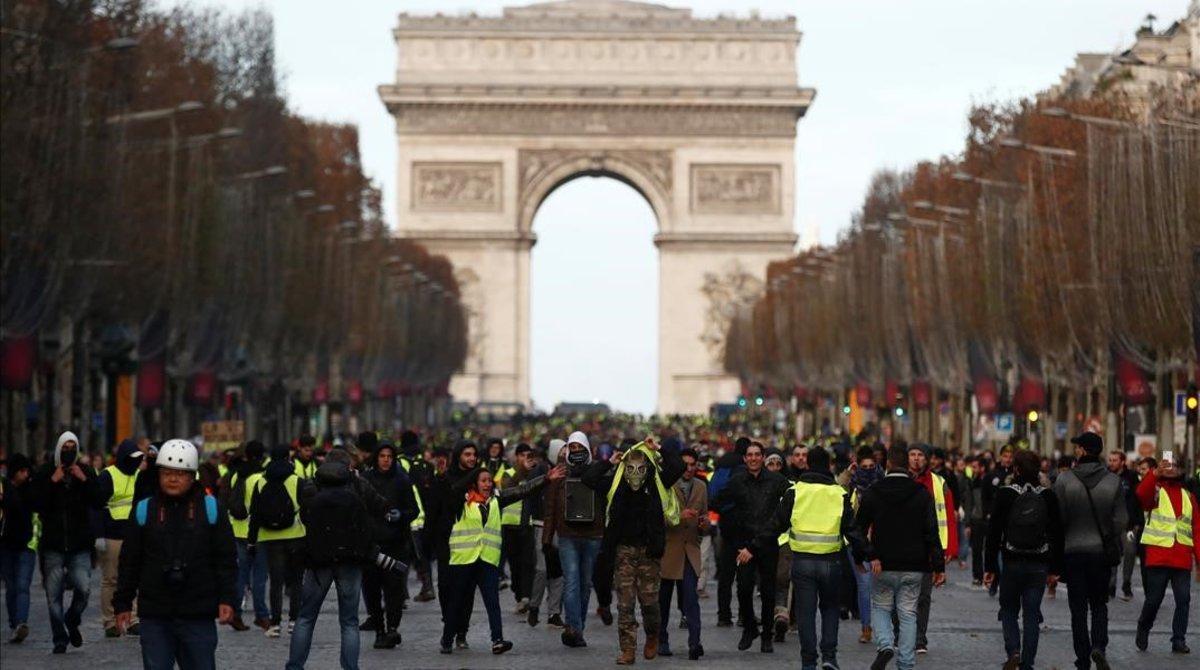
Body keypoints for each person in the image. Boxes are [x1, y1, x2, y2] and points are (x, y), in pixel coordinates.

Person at [113, 439, 237, 670]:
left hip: (198, 613)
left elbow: (225, 558)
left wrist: (227, 599)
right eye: (167, 473)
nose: (172, 479)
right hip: (155, 613)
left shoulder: (211, 509)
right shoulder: (144, 510)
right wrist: (122, 604)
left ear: (192, 477)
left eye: (180, 474)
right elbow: (130, 561)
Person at [285, 452, 406, 670]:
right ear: (346, 467)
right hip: (351, 560)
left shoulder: (311, 487)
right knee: (349, 622)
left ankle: (294, 666)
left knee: (305, 618)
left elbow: (305, 517)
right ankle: (350, 667)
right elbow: (381, 507)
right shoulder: (357, 485)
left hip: (318, 560)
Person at [753, 444, 866, 670]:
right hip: (831, 561)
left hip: (802, 562)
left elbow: (775, 525)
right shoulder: (838, 493)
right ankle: (829, 656)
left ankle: (808, 661)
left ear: (808, 464)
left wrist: (754, 547)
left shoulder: (795, 491)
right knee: (830, 610)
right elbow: (852, 530)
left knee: (805, 613)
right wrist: (863, 556)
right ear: (829, 465)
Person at [440, 462, 563, 654]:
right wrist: (442, 474)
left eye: (490, 481)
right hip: (463, 560)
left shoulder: (497, 500)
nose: (488, 484)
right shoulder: (461, 501)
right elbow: (449, 489)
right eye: (483, 481)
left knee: (492, 602)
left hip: (487, 560)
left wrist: (546, 479)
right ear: (474, 483)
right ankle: (447, 639)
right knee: (457, 602)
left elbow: (522, 491)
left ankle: (497, 640)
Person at [583, 438, 684, 665]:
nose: (635, 472)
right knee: (625, 604)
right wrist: (609, 461)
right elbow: (588, 479)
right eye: (630, 467)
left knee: (649, 603)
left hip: (650, 550)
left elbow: (679, 466)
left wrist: (659, 448)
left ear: (647, 467)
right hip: (623, 551)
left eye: (640, 467)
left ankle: (652, 634)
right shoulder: (616, 483)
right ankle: (627, 649)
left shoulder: (657, 482)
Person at [854, 443, 944, 670]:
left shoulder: (874, 492)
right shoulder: (922, 494)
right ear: (907, 465)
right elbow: (931, 531)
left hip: (881, 564)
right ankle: (906, 662)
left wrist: (863, 556)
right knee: (908, 614)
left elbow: (859, 529)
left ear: (888, 464)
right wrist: (938, 565)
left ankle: (885, 645)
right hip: (915, 565)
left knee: (882, 608)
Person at [984, 449, 1064, 670]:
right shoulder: (1047, 496)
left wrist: (989, 566)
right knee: (1032, 614)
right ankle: (1028, 662)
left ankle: (1014, 651)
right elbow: (1057, 533)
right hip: (1039, 562)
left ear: (1015, 468)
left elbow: (993, 533)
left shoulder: (1005, 493)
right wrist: (1055, 568)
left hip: (1011, 560)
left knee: (1008, 609)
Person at [1053, 432, 1126, 670]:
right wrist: (1107, 535)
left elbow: (1057, 519)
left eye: (1077, 448)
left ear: (1083, 451)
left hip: (1073, 551)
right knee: (1099, 604)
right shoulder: (1113, 482)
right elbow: (1121, 521)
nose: (1075, 452)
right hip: (1101, 553)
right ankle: (1099, 646)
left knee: (1078, 608)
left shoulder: (1064, 481)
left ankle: (1082, 656)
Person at [714, 440, 790, 653]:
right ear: (745, 458)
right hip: (744, 545)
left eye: (758, 454)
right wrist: (732, 527)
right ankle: (749, 627)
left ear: (763, 457)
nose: (754, 458)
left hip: (767, 544)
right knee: (744, 588)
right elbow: (718, 502)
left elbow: (791, 502)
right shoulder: (737, 481)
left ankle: (767, 634)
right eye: (750, 455)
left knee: (767, 592)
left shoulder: (777, 481)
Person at [32, 431, 97, 654]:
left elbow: (98, 499)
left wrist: (84, 479)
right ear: (59, 449)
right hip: (53, 544)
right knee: (53, 595)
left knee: (84, 588)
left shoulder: (85, 471)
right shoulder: (45, 473)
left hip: (79, 544)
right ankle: (59, 638)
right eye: (65, 447)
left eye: (73, 447)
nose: (68, 451)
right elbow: (36, 503)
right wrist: (53, 481)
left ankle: (72, 618)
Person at [543, 430, 607, 647]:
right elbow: (550, 507)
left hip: (593, 535)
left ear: (587, 449)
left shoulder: (597, 472)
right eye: (573, 448)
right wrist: (546, 539)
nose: (577, 452)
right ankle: (574, 628)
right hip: (567, 535)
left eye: (581, 448)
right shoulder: (559, 473)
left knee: (585, 584)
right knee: (571, 582)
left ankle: (576, 626)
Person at [1134, 455, 1197, 654]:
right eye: (1166, 466)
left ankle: (1178, 639)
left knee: (1183, 600)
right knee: (1153, 600)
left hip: (1182, 558)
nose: (1170, 469)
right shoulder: (1155, 490)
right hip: (1158, 555)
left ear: (1181, 470)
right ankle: (1144, 627)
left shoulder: (1189, 497)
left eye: (1174, 466)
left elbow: (1196, 529)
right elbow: (1141, 494)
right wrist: (1154, 473)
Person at [359, 439, 418, 649]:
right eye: (382, 456)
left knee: (394, 590)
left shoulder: (401, 480)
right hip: (371, 546)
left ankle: (392, 628)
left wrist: (401, 515)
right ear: (376, 458)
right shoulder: (364, 480)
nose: (386, 460)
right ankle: (379, 629)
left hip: (396, 544)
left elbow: (414, 510)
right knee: (372, 589)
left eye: (389, 457)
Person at [247, 444, 307, 638]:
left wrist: (251, 540)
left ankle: (274, 623)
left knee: (276, 582)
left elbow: (255, 513)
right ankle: (294, 620)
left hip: (270, 538)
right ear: (288, 458)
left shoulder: (261, 481)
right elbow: (306, 510)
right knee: (296, 581)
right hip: (296, 535)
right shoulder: (297, 481)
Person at [427, 439, 480, 649]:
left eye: (473, 454)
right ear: (458, 456)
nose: (471, 458)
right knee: (447, 586)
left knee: (467, 588)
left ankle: (461, 631)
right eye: (467, 454)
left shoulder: (480, 480)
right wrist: (429, 539)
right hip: (446, 541)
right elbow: (434, 509)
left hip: (471, 542)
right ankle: (449, 623)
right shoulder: (443, 479)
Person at [92, 438, 148, 636]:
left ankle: (133, 619)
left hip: (135, 534)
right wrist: (98, 535)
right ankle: (110, 622)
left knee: (135, 577)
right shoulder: (108, 476)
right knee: (111, 579)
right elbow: (96, 506)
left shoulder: (140, 476)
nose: (135, 462)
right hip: (113, 534)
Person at [905, 443, 957, 654]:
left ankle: (919, 639)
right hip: (904, 545)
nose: (916, 459)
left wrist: (950, 548)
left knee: (923, 597)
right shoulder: (899, 480)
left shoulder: (939, 482)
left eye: (920, 455)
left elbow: (949, 517)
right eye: (912, 455)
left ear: (927, 459)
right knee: (903, 594)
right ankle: (903, 632)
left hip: (929, 547)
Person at [658, 447, 708, 660]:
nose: (688, 469)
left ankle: (695, 643)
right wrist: (679, 515)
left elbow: (704, 516)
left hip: (690, 550)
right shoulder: (666, 485)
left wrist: (704, 524)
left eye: (692, 464)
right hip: (668, 550)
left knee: (690, 599)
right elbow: (657, 518)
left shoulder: (701, 486)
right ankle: (661, 640)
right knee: (664, 601)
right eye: (685, 464)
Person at [223, 440, 269, 631]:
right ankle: (262, 615)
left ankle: (236, 614)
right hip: (256, 533)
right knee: (259, 576)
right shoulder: (261, 478)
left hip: (238, 530)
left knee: (240, 576)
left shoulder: (236, 476)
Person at [708, 437, 749, 627]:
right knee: (744, 574)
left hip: (727, 525)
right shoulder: (748, 469)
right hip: (746, 527)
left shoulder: (723, 463)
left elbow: (713, 494)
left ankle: (723, 615)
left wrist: (725, 510)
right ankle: (744, 615)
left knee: (726, 573)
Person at [846, 445, 884, 643]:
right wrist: (847, 473)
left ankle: (884, 626)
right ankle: (866, 627)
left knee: (880, 587)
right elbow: (837, 489)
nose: (868, 470)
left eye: (872, 466)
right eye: (864, 467)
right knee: (864, 585)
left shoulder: (883, 486)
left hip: (880, 543)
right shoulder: (852, 486)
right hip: (857, 543)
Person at [500, 443, 541, 615]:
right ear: (516, 457)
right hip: (509, 525)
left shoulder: (535, 473)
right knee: (515, 564)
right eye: (522, 455)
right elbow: (507, 488)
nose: (526, 459)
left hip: (527, 524)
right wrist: (521, 470)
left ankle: (525, 596)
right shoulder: (508, 473)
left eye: (528, 455)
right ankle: (519, 594)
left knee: (528, 562)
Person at [1, 453, 36, 644]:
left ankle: (21, 622)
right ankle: (14, 622)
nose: (26, 474)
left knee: (22, 586)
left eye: (27, 470)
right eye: (22, 471)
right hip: (5, 545)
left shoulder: (30, 489)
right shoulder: (4, 489)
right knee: (11, 587)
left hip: (26, 545)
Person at [1106, 449, 1142, 601]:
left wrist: (1137, 522)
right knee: (1111, 553)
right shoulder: (1106, 476)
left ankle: (1126, 583)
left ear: (1122, 461)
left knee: (1129, 551)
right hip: (1110, 522)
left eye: (1115, 460)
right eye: (1110, 460)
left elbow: (1137, 499)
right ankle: (1111, 585)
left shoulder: (1131, 477)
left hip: (1128, 524)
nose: (1112, 463)